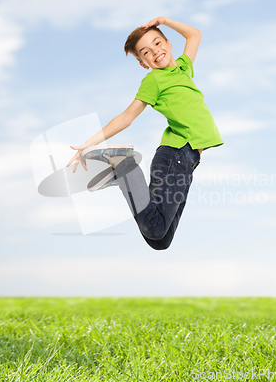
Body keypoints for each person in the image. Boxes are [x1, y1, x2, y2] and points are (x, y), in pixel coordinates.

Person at [66, 17, 223, 250]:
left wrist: (164, 20)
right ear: (143, 63)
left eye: (158, 43)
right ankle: (124, 165)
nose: (155, 52)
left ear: (169, 43)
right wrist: (89, 143)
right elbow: (126, 117)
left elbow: (194, 35)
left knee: (160, 240)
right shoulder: (154, 80)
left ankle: (124, 179)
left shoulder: (183, 69)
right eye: (146, 52)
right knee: (156, 228)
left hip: (189, 162)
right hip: (175, 157)